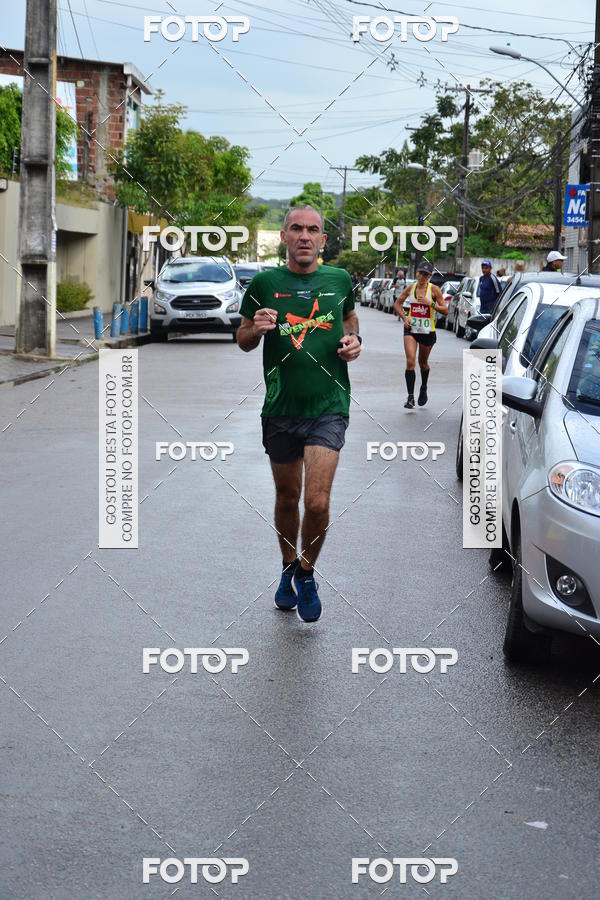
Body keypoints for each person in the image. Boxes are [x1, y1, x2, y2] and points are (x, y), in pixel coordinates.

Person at [236, 205, 362, 623]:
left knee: (318, 502)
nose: (304, 236)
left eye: (313, 230)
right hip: (281, 407)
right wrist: (256, 328)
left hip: (329, 405)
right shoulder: (265, 283)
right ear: (284, 238)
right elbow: (242, 340)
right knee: (288, 497)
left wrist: (354, 340)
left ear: (323, 240)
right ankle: (288, 565)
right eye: (296, 229)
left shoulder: (340, 279)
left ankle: (306, 573)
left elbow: (348, 318)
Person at [393, 260, 447, 409]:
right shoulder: (411, 288)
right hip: (411, 329)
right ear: (416, 273)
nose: (422, 277)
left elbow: (445, 310)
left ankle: (423, 387)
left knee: (423, 363)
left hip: (427, 330)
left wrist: (431, 304)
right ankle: (410, 397)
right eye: (420, 273)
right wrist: (405, 318)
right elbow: (397, 303)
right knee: (410, 361)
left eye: (426, 274)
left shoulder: (434, 290)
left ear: (429, 276)